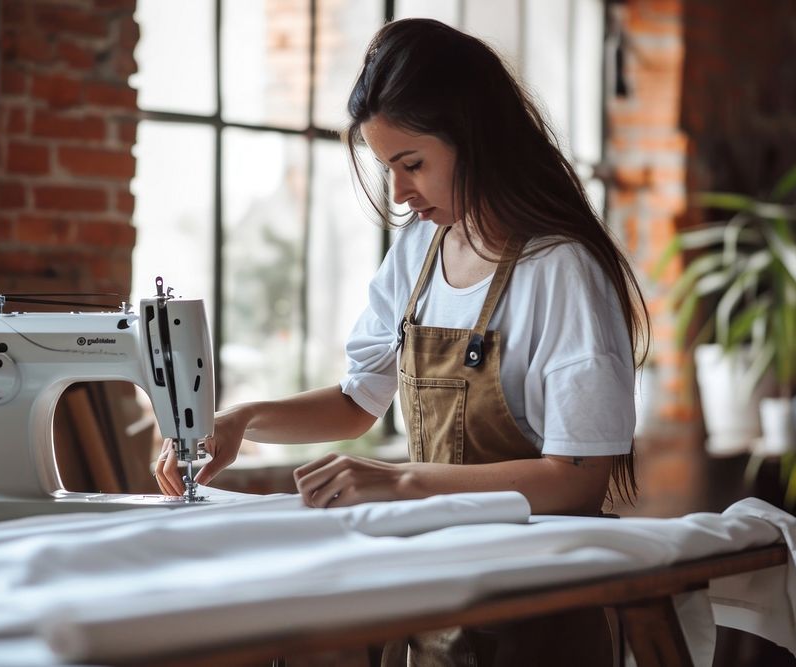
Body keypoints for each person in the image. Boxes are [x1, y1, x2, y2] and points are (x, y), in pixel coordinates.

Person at [155, 17, 649, 666]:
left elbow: (576, 481)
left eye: (412, 164)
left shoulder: (561, 271)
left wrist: (401, 480)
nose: (398, 192)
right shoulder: (419, 251)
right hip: (436, 585)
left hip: (535, 604)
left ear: (477, 140)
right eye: (388, 167)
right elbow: (359, 400)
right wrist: (242, 420)